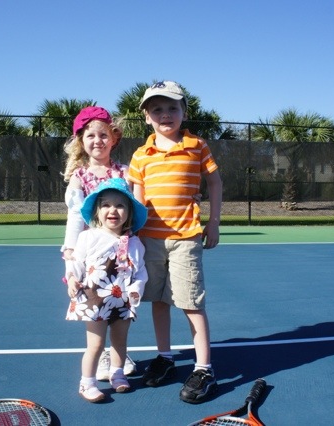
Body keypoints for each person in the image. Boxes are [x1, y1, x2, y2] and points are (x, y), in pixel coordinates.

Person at [127, 80, 223, 404]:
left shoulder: (197, 146)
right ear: (146, 117)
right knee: (158, 300)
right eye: (157, 109)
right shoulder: (140, 155)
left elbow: (214, 182)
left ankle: (204, 368)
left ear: (184, 112)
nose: (165, 114)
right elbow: (137, 200)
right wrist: (132, 235)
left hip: (185, 239)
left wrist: (213, 222)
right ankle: (165, 357)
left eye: (172, 107)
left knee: (191, 303)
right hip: (149, 240)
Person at [62, 106, 137, 380]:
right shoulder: (79, 176)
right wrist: (71, 256)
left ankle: (116, 354)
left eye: (103, 135)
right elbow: (75, 217)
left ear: (113, 138)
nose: (98, 141)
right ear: (81, 140)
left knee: (120, 304)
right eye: (91, 135)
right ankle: (100, 354)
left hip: (120, 254)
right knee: (96, 304)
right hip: (92, 256)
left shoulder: (124, 172)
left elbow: (140, 204)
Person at [64, 177, 148, 402]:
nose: (113, 210)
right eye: (106, 205)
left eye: (120, 205)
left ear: (129, 213)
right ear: (97, 211)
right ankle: (87, 382)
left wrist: (136, 289)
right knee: (96, 344)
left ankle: (117, 374)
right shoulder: (88, 237)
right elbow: (76, 263)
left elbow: (140, 272)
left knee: (120, 342)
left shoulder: (135, 243)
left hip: (122, 300)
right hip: (94, 298)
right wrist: (72, 279)